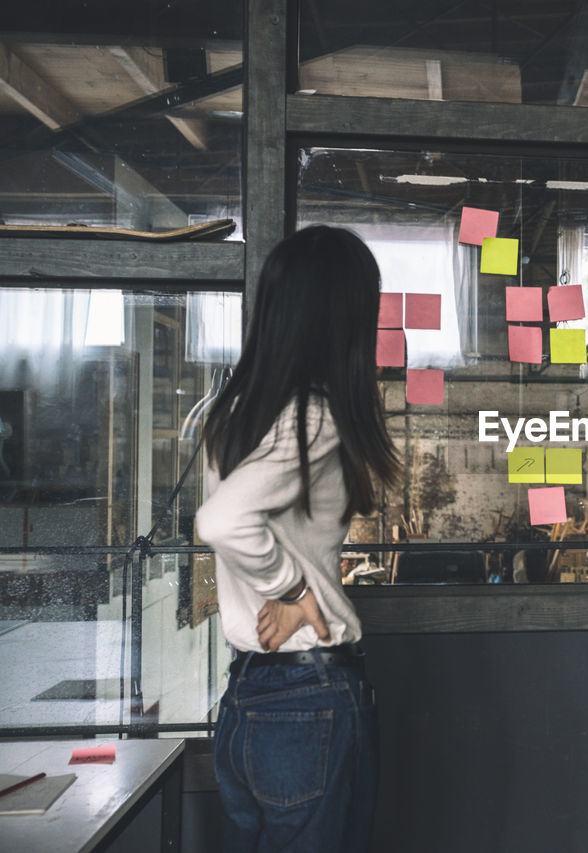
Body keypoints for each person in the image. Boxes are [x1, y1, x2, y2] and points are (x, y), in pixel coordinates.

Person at [196, 226, 400, 853]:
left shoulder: (226, 412)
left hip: (249, 697)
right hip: (308, 694)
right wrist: (294, 591)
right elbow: (222, 523)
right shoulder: (313, 414)